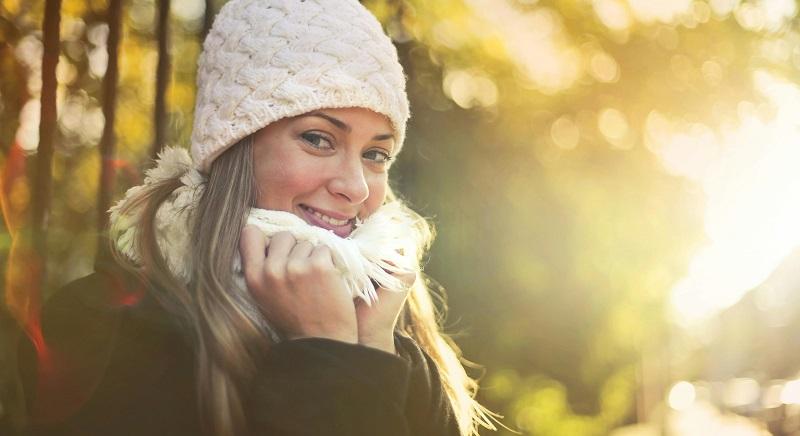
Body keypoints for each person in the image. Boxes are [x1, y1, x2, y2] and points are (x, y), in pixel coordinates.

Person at [17, 1, 495, 435]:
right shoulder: (105, 333)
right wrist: (327, 355)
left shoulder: (395, 332)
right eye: (318, 139)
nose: (355, 186)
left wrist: (367, 346)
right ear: (234, 148)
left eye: (376, 153)